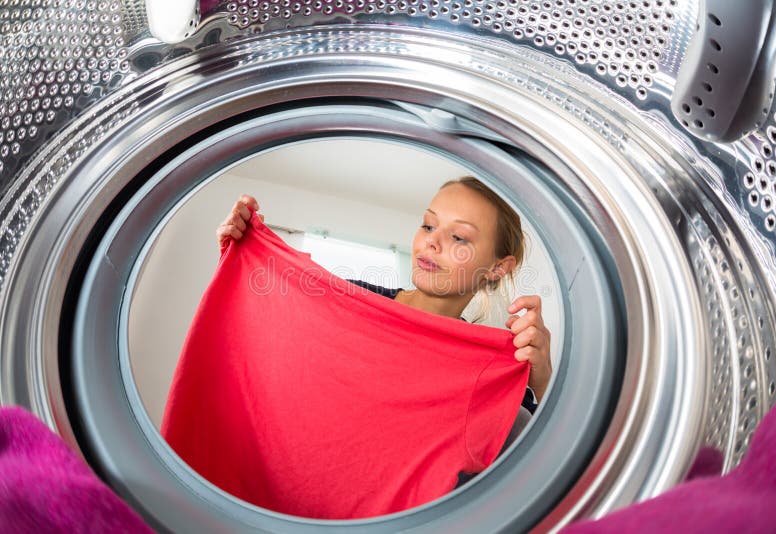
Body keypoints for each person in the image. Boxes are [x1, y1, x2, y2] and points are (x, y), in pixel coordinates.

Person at [215, 176, 552, 487]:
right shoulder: (349, 300)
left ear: (497, 268)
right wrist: (243, 255)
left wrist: (545, 382)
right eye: (428, 224)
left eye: (459, 237)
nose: (431, 242)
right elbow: (263, 348)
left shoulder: (487, 373)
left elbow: (536, 469)